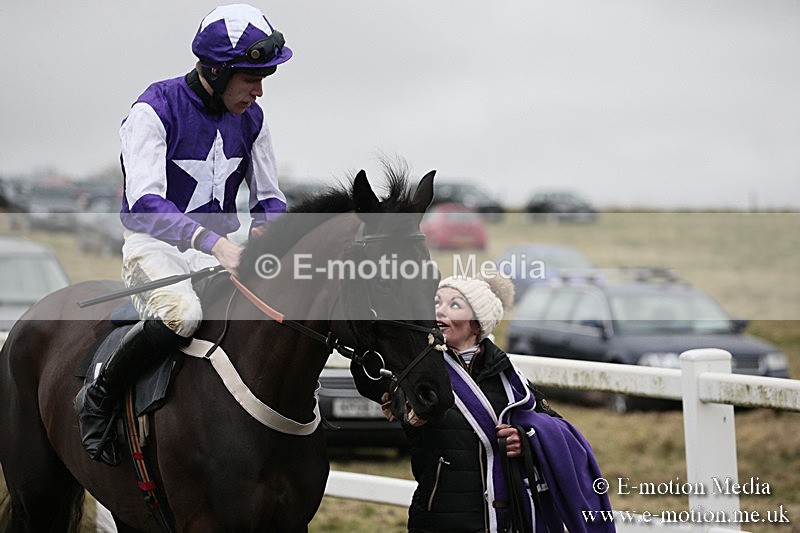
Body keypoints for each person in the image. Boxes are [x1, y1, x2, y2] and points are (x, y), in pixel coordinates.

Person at [74, 4, 292, 466]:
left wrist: (265, 232)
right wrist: (216, 244)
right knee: (184, 316)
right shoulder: (153, 109)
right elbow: (145, 204)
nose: (258, 91)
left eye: (263, 78)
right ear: (216, 70)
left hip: (218, 252)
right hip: (154, 247)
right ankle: (98, 396)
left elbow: (271, 198)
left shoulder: (254, 120)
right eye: (250, 78)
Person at [385, 274, 613, 532]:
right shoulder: (418, 373)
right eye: (436, 302)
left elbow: (552, 425)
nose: (440, 310)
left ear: (477, 324)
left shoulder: (509, 377)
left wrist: (525, 440)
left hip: (505, 521)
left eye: (455, 304)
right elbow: (399, 408)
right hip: (438, 519)